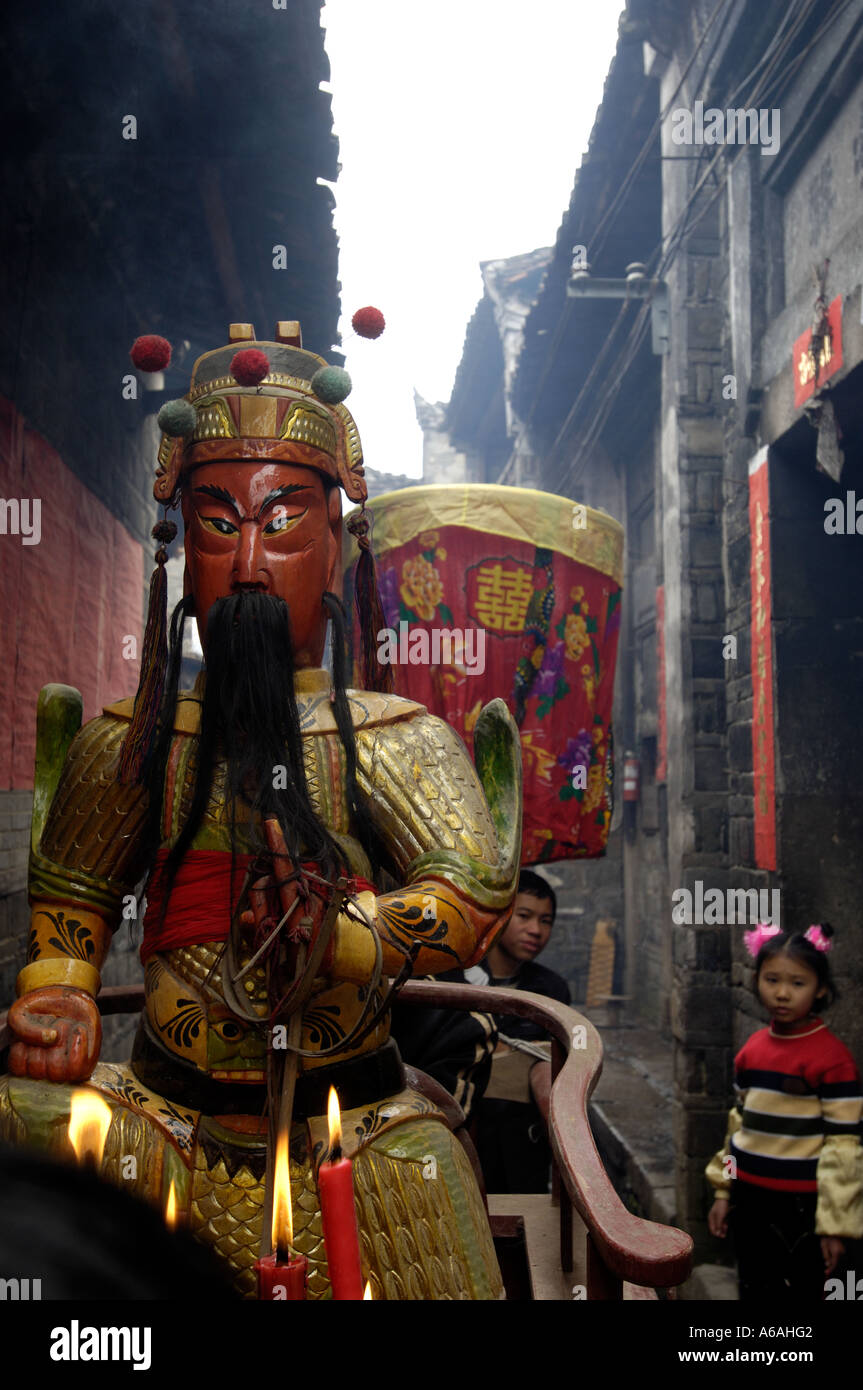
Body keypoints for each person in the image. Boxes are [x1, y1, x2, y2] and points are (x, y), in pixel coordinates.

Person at [0, 320, 522, 1300]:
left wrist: (347, 934)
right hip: (162, 1109)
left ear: (336, 545)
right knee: (24, 1123)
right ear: (179, 546)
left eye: (280, 524)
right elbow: (72, 904)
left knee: (430, 1181)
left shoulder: (393, 738)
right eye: (215, 522)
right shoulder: (134, 741)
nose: (246, 562)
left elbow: (467, 896)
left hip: (355, 1120)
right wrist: (62, 989)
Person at [706, 922, 863, 1302]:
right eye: (772, 979)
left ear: (820, 988)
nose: (782, 993)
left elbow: (844, 1146)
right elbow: (737, 1129)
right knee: (756, 1289)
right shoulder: (751, 1052)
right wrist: (724, 1190)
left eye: (797, 983)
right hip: (751, 1201)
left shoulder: (833, 1060)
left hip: (805, 1209)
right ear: (757, 979)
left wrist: (834, 1225)